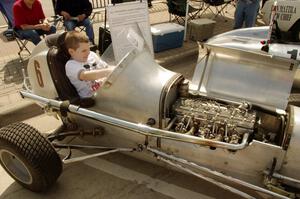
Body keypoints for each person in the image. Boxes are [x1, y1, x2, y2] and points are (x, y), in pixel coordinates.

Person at [65, 31, 114, 99]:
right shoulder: (71, 65)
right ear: (71, 52)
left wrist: (116, 68)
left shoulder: (91, 55)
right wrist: (107, 72)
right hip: (90, 98)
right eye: (84, 51)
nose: (88, 53)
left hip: (105, 90)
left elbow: (106, 67)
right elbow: (85, 76)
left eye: (89, 49)